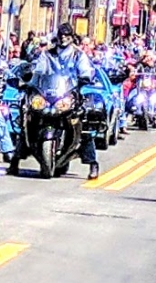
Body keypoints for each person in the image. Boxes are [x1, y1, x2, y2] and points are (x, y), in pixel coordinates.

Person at [27, 23, 103, 179]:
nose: (63, 38)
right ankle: (16, 157)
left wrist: (86, 76)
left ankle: (92, 163)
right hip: (49, 93)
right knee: (29, 114)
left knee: (84, 123)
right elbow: (38, 70)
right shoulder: (47, 54)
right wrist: (31, 77)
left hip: (70, 94)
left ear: (72, 36)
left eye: (67, 35)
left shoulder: (78, 55)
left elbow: (86, 70)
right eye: (61, 35)